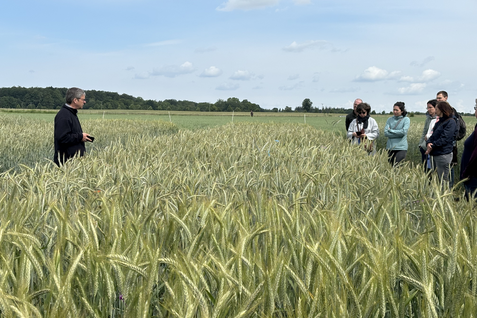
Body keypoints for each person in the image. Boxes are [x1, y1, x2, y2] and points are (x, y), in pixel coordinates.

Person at [54, 87, 92, 166]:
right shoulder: (64, 115)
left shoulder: (71, 114)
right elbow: (62, 138)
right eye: (82, 99)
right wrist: (80, 137)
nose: (84, 102)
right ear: (75, 100)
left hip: (73, 163)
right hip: (66, 164)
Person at [425, 101, 458, 185]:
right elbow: (433, 135)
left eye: (436, 109)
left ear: (442, 110)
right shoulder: (439, 121)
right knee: (436, 179)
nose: (435, 111)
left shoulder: (451, 122)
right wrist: (428, 143)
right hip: (435, 153)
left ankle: (444, 196)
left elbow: (445, 138)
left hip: (443, 154)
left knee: (443, 179)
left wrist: (432, 145)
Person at [460, 99, 477, 200]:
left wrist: (467, 172)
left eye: (476, 108)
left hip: (474, 176)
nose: (475, 110)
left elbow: (475, 155)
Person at [418, 99, 437, 169]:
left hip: (433, 148)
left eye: (430, 107)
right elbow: (424, 132)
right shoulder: (428, 118)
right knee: (425, 169)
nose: (428, 109)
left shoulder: (439, 119)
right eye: (427, 108)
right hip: (424, 148)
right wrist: (421, 145)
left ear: (436, 108)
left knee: (434, 170)